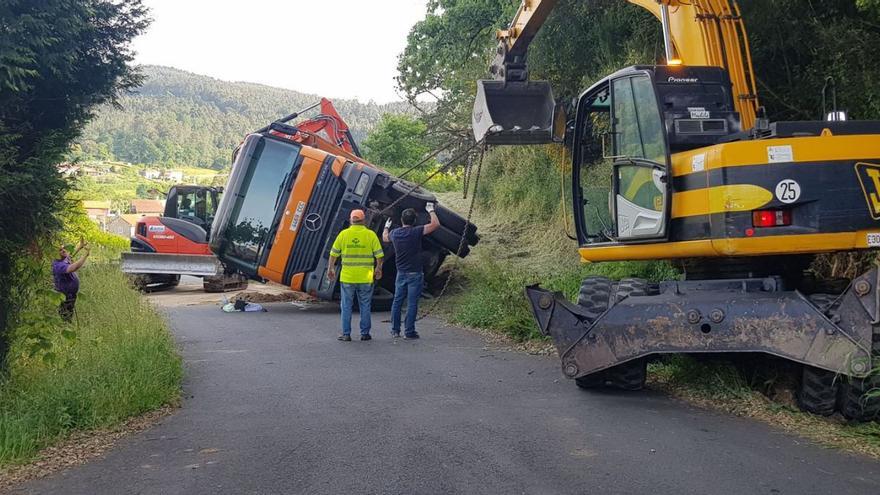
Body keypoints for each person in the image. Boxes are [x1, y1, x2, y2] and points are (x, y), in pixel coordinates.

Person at [382, 202, 440, 339]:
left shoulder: (395, 234)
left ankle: (395, 330)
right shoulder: (416, 231)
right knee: (412, 303)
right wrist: (430, 210)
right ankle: (409, 332)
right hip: (415, 274)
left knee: (397, 301)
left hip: (401, 274)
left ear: (402, 220)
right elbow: (436, 224)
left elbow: (385, 237)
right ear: (414, 221)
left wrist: (386, 226)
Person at [327, 209, 384, 341]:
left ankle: (346, 334)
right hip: (365, 277)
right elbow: (379, 255)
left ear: (351, 220)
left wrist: (330, 269)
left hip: (348, 277)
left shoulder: (344, 234)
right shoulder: (370, 235)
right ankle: (365, 333)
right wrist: (378, 268)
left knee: (346, 305)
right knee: (365, 305)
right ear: (364, 220)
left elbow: (333, 254)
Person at [52, 238, 90, 322]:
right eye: (60, 250)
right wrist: (85, 255)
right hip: (65, 296)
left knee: (69, 313)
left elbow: (70, 255)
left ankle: (66, 326)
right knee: (65, 316)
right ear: (55, 254)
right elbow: (74, 267)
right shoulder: (58, 265)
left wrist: (79, 247)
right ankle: (64, 328)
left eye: (63, 248)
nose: (63, 250)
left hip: (70, 295)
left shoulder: (62, 259)